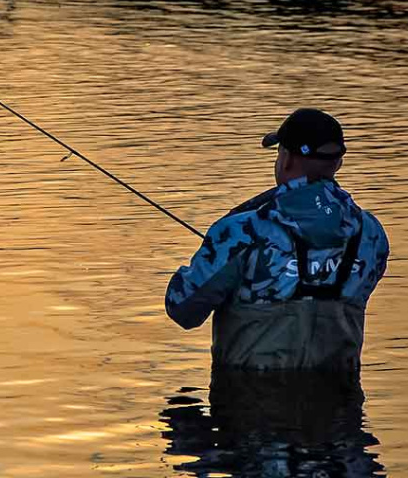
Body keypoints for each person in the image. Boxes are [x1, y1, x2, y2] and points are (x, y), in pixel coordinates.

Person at [165, 108, 389, 372]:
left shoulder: (240, 231)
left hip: (248, 393)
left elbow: (182, 309)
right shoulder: (371, 233)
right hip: (341, 391)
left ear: (286, 160)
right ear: (338, 163)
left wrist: (214, 250)